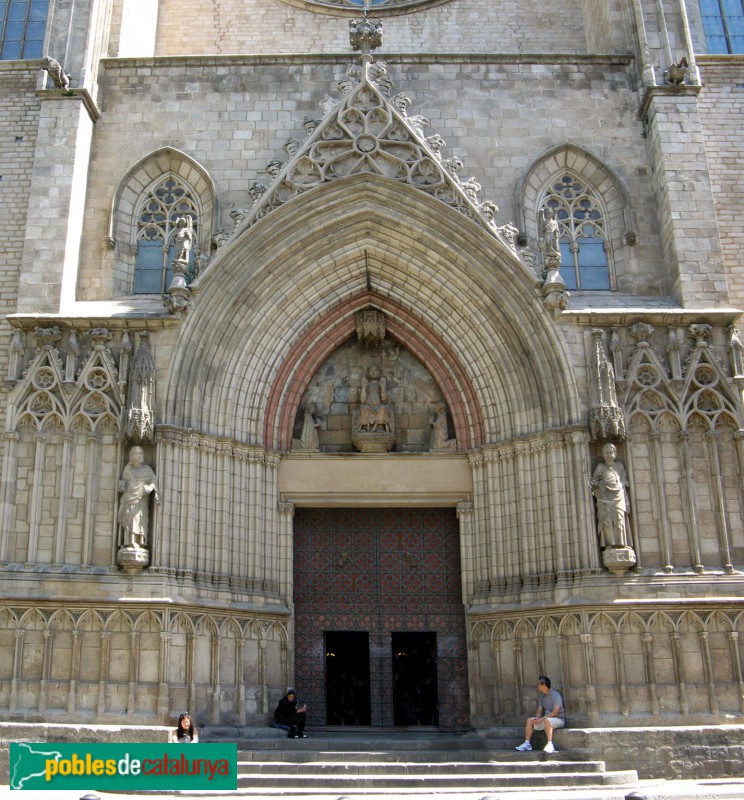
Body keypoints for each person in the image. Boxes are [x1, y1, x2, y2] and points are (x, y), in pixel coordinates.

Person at [118, 446, 160, 548]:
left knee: (140, 519)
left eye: (141, 453)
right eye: (138, 453)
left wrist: (150, 488)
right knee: (130, 519)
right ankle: (129, 541)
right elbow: (124, 483)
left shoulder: (147, 469)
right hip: (129, 499)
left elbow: (154, 482)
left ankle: (140, 541)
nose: (140, 455)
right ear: (132, 455)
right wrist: (121, 486)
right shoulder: (128, 469)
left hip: (142, 499)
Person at [591, 443, 630, 548]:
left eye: (611, 452)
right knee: (607, 521)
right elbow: (593, 482)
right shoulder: (601, 467)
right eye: (606, 453)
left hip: (618, 496)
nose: (609, 455)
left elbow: (623, 479)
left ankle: (621, 543)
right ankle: (610, 544)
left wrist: (625, 482)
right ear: (603, 454)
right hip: (604, 496)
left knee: (619, 519)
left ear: (615, 454)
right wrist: (596, 485)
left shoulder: (619, 466)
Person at [515, 676, 565, 753]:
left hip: (558, 719)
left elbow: (555, 712)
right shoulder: (542, 697)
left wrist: (542, 718)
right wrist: (536, 719)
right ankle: (527, 743)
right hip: (546, 719)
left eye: (538, 684)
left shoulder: (556, 696)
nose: (537, 686)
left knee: (547, 720)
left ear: (544, 685)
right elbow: (539, 711)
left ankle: (550, 744)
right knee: (529, 720)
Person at [358, 365, 394, 433]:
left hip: (379, 406)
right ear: (368, 373)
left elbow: (384, 401)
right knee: (364, 408)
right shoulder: (366, 383)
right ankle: (365, 427)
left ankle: (380, 427)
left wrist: (383, 387)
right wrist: (363, 387)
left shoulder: (381, 383)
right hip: (368, 406)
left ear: (379, 373)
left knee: (383, 408)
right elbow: (362, 400)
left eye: (376, 371)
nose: (373, 373)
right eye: (371, 371)